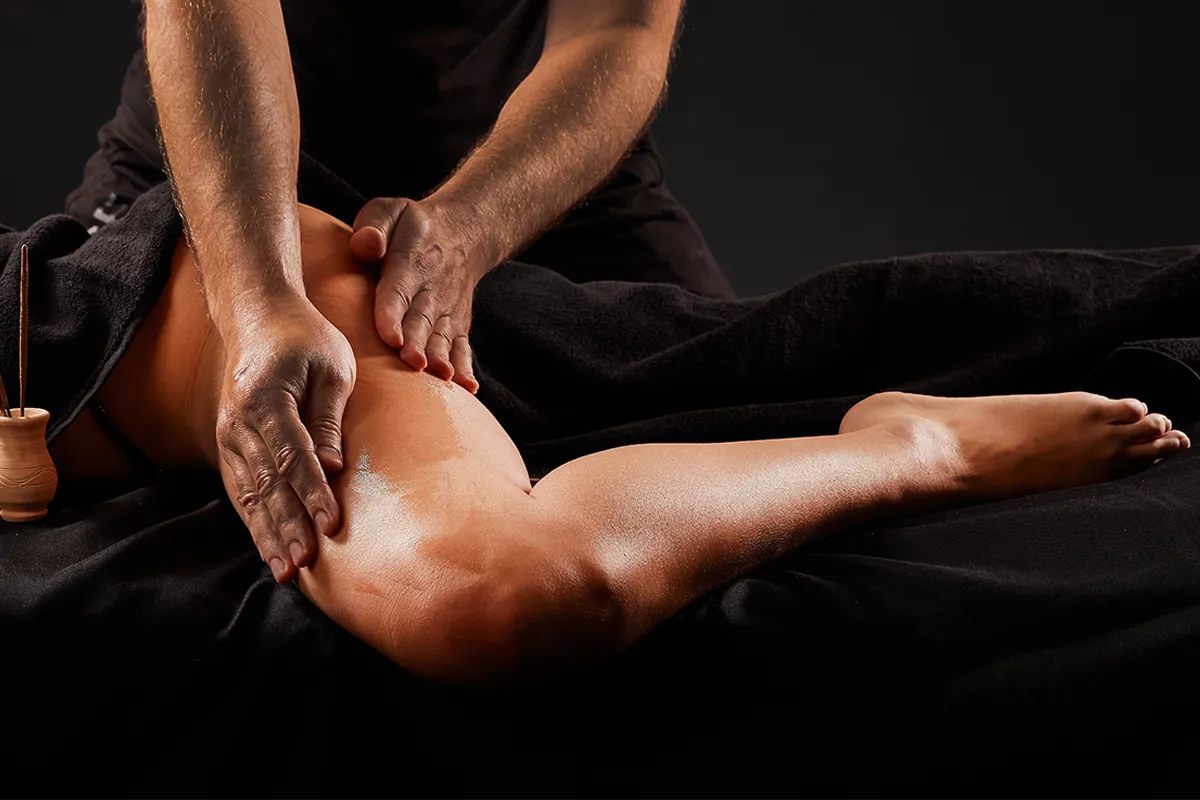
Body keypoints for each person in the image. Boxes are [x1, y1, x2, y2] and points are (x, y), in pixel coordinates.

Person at [47, 203, 1191, 682]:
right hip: (188, 260)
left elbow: (619, 40)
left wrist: (260, 301)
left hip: (199, 288)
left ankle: (916, 445)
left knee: (490, 592)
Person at [65, 0, 733, 579]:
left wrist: (473, 223)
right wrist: (257, 303)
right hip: (224, 158)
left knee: (743, 413)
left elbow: (618, 27)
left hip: (536, 164)